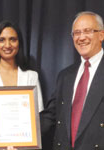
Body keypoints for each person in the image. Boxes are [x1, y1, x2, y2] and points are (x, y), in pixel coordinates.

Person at [0, 20, 44, 150]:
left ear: (19, 43)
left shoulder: (31, 76)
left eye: (13, 39)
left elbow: (38, 117)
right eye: (1, 40)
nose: (7, 45)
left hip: (25, 147)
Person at [40, 11, 104, 150]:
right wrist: (18, 134)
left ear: (101, 35)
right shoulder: (65, 75)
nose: (81, 37)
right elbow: (50, 116)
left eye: (87, 31)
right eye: (76, 33)